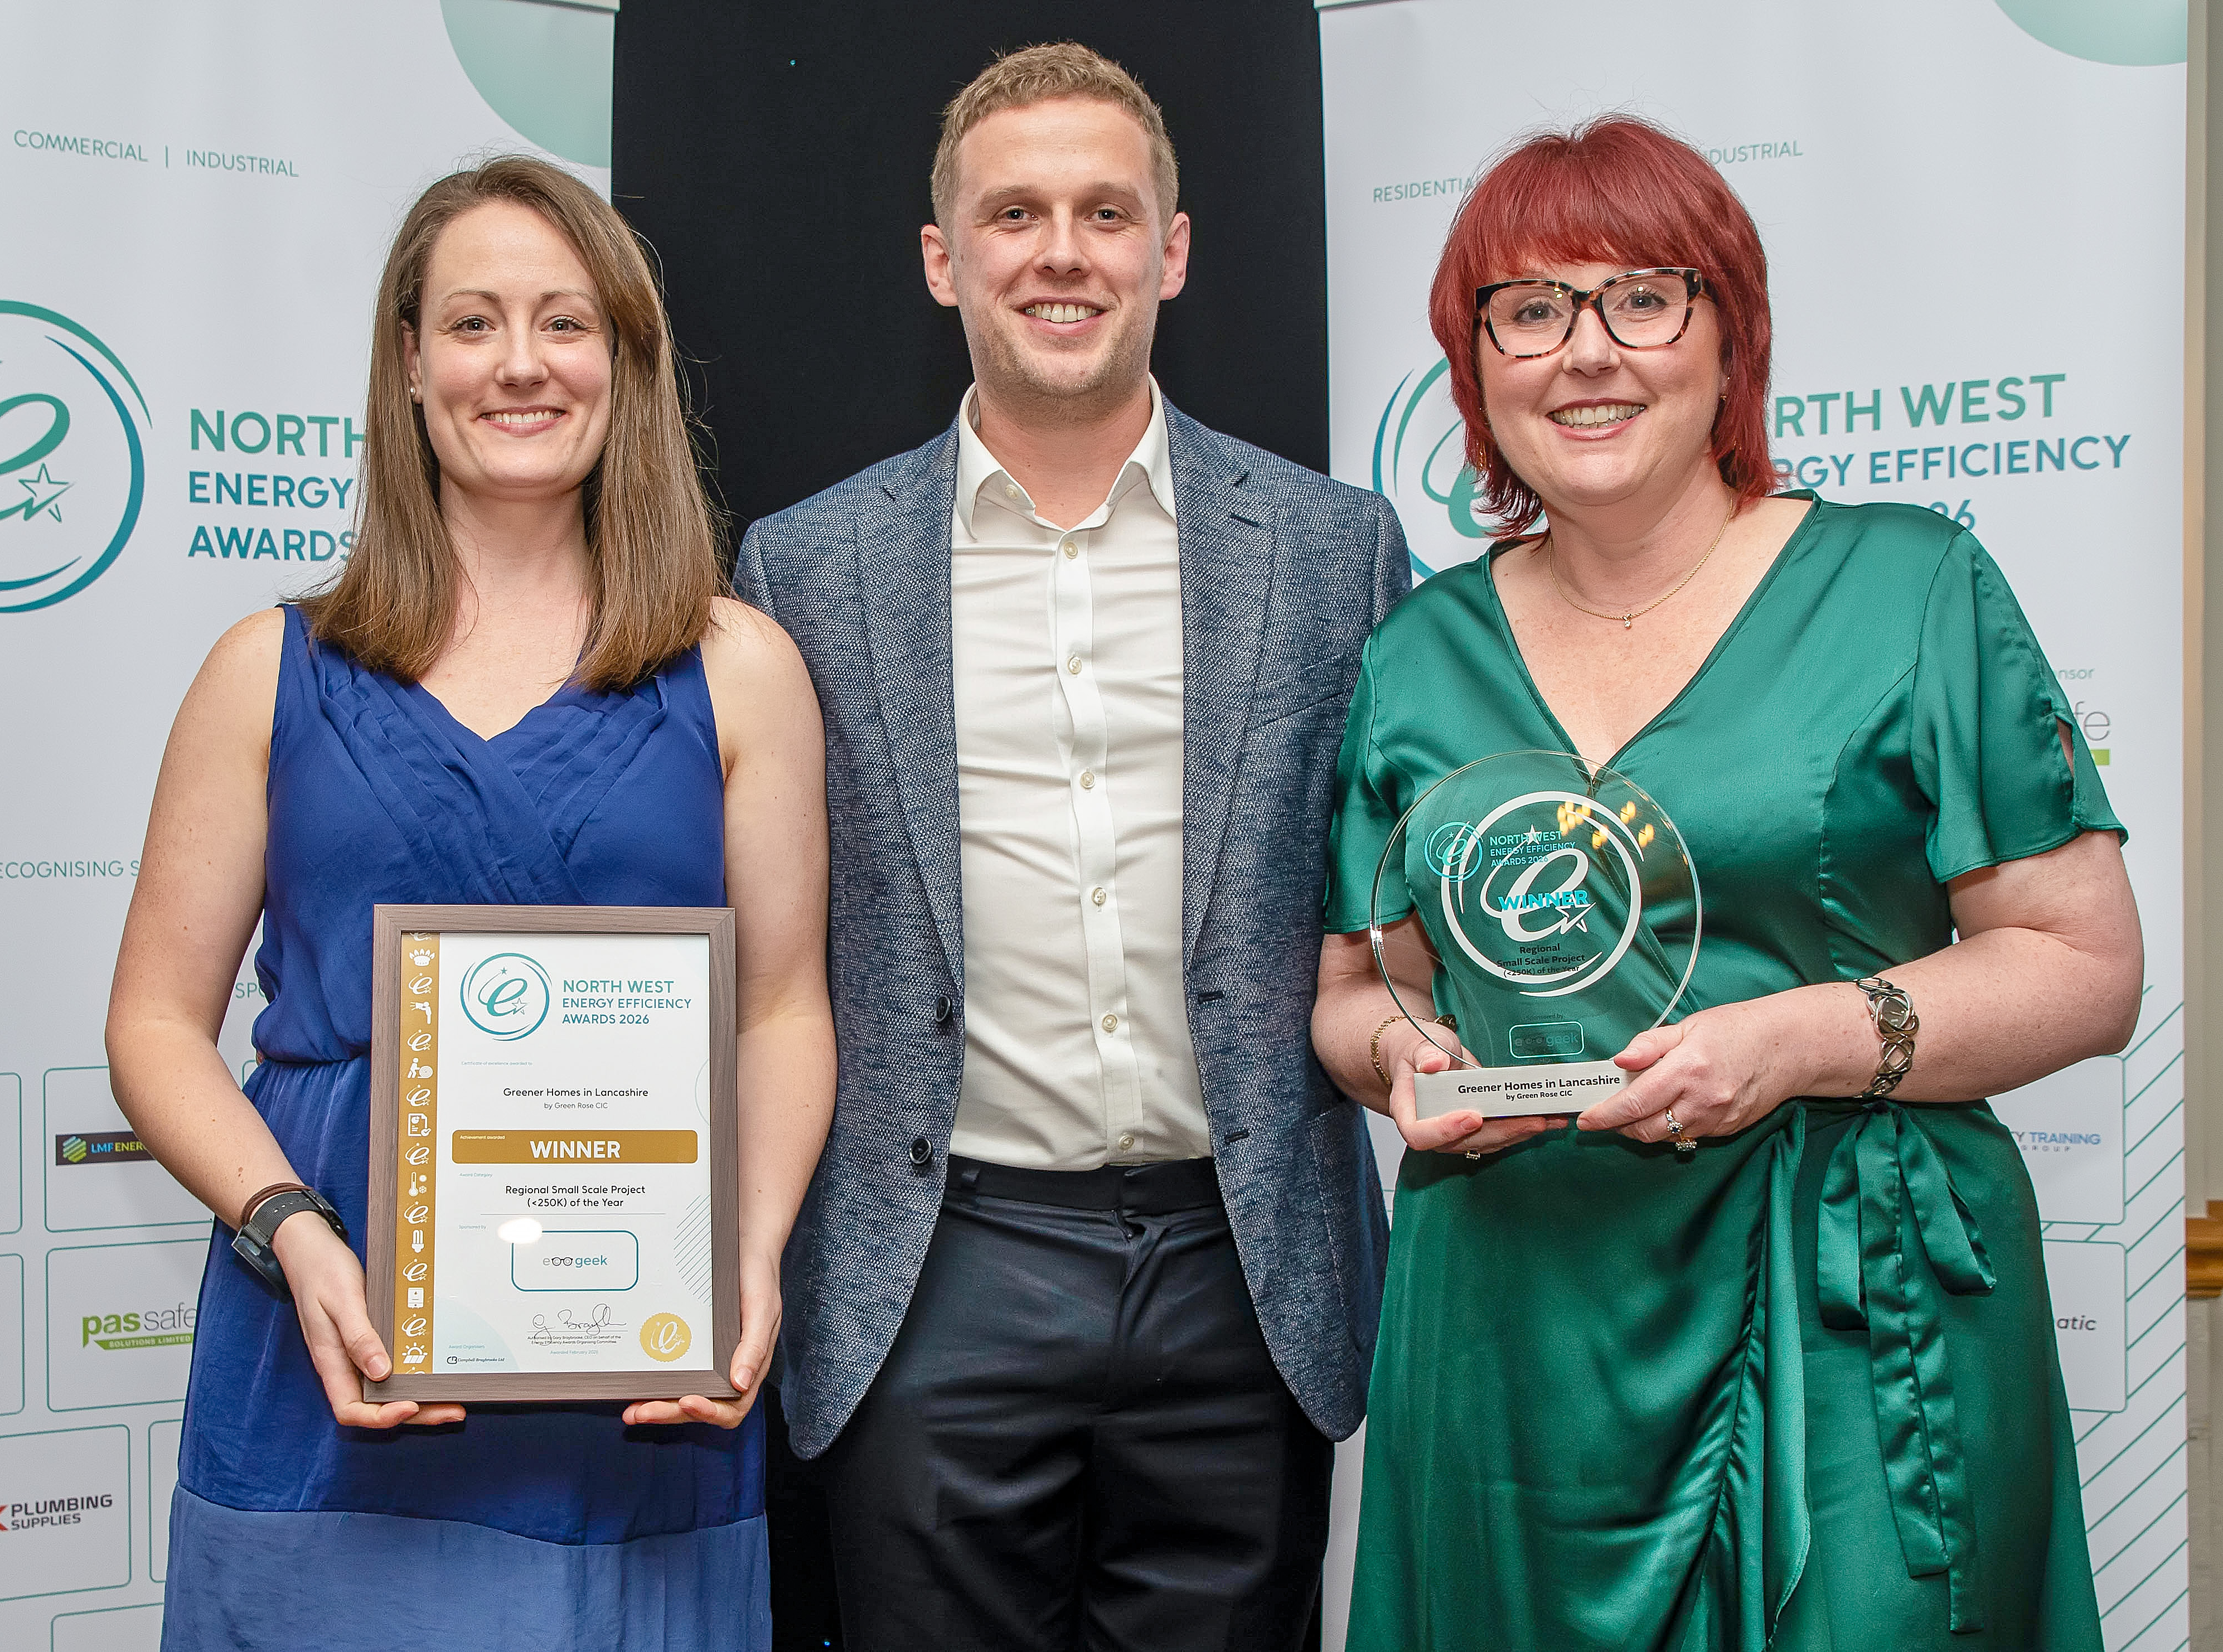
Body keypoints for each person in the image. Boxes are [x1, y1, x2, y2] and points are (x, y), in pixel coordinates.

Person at [1312, 116, 2143, 1650]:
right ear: (1476, 368)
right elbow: (1364, 986)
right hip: (1515, 1330)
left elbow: (2085, 966)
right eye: (1530, 309)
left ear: (1730, 338)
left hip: (1851, 1311)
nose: (1588, 351)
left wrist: (1798, 1039)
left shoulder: (1910, 586)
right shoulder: (1416, 653)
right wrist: (1405, 1061)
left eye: (1644, 297)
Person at [105, 155, 834, 1652]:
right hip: (328, 1348)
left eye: (566, 323)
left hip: (637, 1378)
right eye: (474, 321)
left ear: (627, 366)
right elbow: (155, 1027)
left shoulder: (741, 667)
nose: (520, 363)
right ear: (409, 362)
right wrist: (293, 1233)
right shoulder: (266, 670)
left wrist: (749, 1258)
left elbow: (780, 1010)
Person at [733, 42, 1407, 1652]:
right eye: (1014, 213)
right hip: (934, 1267)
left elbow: (1392, 898)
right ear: (941, 259)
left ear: (1172, 251)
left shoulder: (1335, 549)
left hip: (1245, 1265)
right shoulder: (805, 567)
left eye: (1107, 213)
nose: (1062, 253)